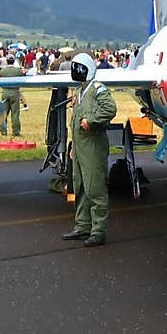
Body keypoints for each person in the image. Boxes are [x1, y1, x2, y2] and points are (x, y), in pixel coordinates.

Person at [60, 52, 117, 248]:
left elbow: (110, 109)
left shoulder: (98, 89)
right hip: (80, 146)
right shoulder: (80, 90)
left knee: (95, 188)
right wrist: (74, 147)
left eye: (79, 68)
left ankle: (98, 231)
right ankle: (83, 225)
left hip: (93, 144)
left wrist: (91, 121)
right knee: (80, 187)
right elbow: (75, 120)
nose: (75, 72)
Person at [0, 55, 23, 137]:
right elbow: (21, 81)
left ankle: (3, 131)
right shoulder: (18, 71)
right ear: (14, 61)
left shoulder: (2, 71)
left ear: (7, 61)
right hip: (15, 92)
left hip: (5, 92)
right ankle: (16, 131)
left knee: (4, 113)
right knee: (15, 114)